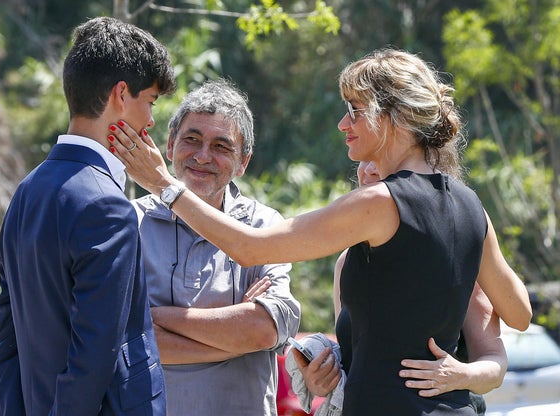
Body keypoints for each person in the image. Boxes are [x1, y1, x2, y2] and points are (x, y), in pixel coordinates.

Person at [109, 48, 532, 415]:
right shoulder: (471, 204)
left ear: (392, 118)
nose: (342, 124)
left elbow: (249, 247)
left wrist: (165, 186)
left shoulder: (379, 202)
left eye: (354, 111)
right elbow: (519, 313)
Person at [0, 16, 176, 416]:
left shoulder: (25, 193)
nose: (151, 120)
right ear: (120, 95)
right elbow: (93, 355)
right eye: (151, 102)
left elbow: (8, 340)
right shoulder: (108, 206)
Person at [120, 79, 301, 416]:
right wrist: (233, 338)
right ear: (170, 144)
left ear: (243, 161)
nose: (203, 157)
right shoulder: (128, 223)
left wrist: (155, 317)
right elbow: (122, 342)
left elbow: (263, 330)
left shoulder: (264, 226)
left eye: (221, 146)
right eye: (192, 140)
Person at [290, 161, 507, 416]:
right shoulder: (346, 263)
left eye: (381, 158)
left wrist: (462, 374)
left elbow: (496, 364)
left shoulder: (454, 255)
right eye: (364, 159)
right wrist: (321, 379)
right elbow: (357, 362)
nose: (368, 169)